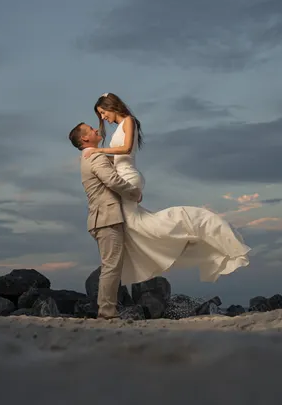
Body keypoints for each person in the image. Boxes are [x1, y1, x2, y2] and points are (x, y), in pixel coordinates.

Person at [81, 92, 250, 286]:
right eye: (100, 115)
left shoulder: (129, 121)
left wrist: (98, 151)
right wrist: (96, 158)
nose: (103, 118)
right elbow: (117, 157)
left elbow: (126, 149)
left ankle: (188, 229)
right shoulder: (120, 127)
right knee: (135, 227)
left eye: (103, 112)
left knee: (137, 226)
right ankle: (177, 239)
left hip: (128, 177)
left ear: (112, 106)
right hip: (125, 175)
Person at [68, 122, 142, 319]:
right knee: (111, 265)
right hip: (106, 219)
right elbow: (112, 181)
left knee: (111, 264)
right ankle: (107, 311)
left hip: (101, 218)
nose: (95, 129)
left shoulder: (91, 156)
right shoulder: (95, 157)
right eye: (90, 129)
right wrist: (134, 193)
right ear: (84, 138)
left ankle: (107, 309)